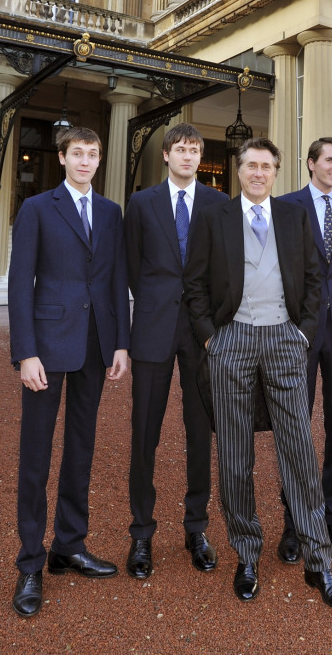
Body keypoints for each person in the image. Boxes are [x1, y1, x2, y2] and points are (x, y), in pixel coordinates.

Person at [184, 138, 332, 611]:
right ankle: (247, 555)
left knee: (298, 449)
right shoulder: (213, 217)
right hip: (231, 339)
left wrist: (304, 334)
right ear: (238, 171)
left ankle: (319, 563)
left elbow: (315, 280)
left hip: (283, 338)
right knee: (235, 455)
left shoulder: (295, 217)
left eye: (267, 166)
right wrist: (210, 337)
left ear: (277, 171)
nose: (259, 173)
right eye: (251, 165)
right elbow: (194, 283)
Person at [8, 127, 130, 618]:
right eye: (76, 153)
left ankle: (69, 545)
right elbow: (20, 285)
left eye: (93, 154)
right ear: (62, 158)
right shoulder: (38, 208)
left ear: (100, 160)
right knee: (35, 456)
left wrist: (121, 341)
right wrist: (25, 353)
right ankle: (31, 563)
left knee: (81, 449)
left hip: (96, 345)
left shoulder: (110, 212)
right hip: (47, 346)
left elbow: (117, 277)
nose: (85, 161)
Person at [124, 123, 227, 579]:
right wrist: (152, 307)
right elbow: (131, 266)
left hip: (201, 334)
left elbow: (225, 271)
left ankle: (196, 527)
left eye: (195, 150)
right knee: (145, 432)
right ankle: (142, 533)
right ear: (166, 155)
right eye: (181, 149)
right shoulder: (142, 203)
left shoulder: (217, 203)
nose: (188, 156)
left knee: (199, 432)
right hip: (152, 329)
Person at [276, 137, 332, 564]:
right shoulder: (287, 206)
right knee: (294, 428)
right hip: (298, 331)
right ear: (310, 162)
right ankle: (295, 523)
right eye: (329, 160)